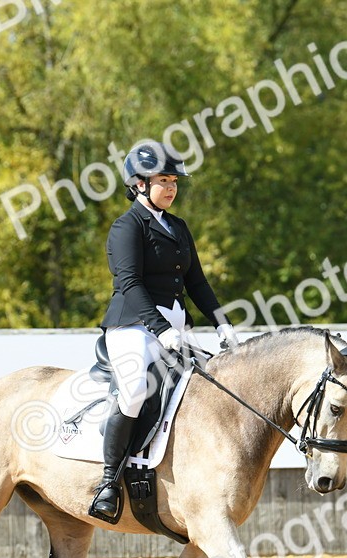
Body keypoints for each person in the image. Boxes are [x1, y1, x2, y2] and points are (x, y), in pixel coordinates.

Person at [90, 141, 238, 520]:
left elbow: (197, 282)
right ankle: (108, 482)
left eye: (174, 181)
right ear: (139, 184)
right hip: (132, 326)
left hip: (175, 326)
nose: (171, 188)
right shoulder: (126, 227)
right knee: (135, 391)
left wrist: (222, 323)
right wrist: (159, 328)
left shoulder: (178, 227)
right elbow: (130, 282)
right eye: (163, 181)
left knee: (207, 387)